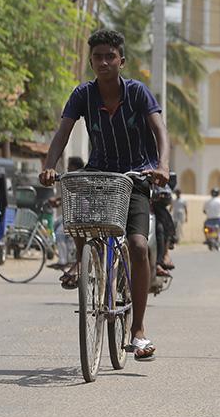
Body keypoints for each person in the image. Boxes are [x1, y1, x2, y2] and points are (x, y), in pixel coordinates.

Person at [39, 29, 170, 362]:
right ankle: (87, 267)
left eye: (110, 56)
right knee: (80, 217)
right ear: (91, 61)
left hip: (135, 178)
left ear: (121, 61)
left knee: (139, 246)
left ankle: (138, 329)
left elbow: (160, 131)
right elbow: (62, 133)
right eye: (97, 57)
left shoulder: (138, 93)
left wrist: (162, 165)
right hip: (99, 174)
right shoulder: (83, 95)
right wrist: (49, 166)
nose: (103, 62)